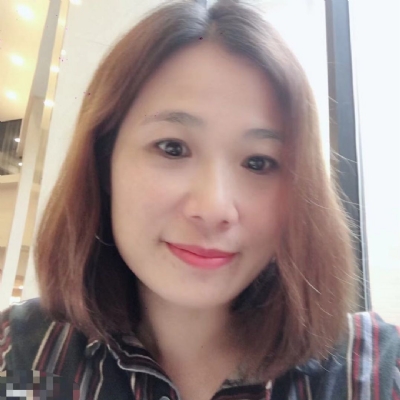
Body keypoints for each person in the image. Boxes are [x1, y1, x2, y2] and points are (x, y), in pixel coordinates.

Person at [0, 0, 399, 399]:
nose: (213, 208)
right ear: (104, 162)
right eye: (172, 148)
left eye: (258, 162)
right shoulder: (21, 355)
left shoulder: (370, 375)